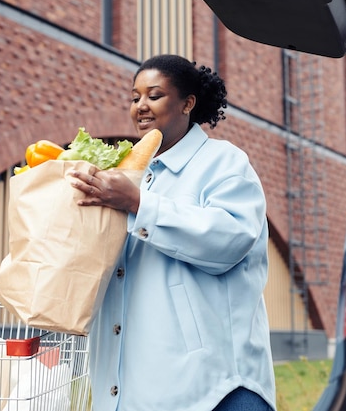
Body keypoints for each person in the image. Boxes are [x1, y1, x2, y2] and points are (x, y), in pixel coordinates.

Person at [69, 54, 276, 411]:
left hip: (217, 391)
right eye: (135, 98)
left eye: (154, 95)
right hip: (133, 391)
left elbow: (230, 238)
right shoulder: (128, 174)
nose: (141, 107)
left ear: (187, 103)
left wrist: (138, 204)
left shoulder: (223, 162)